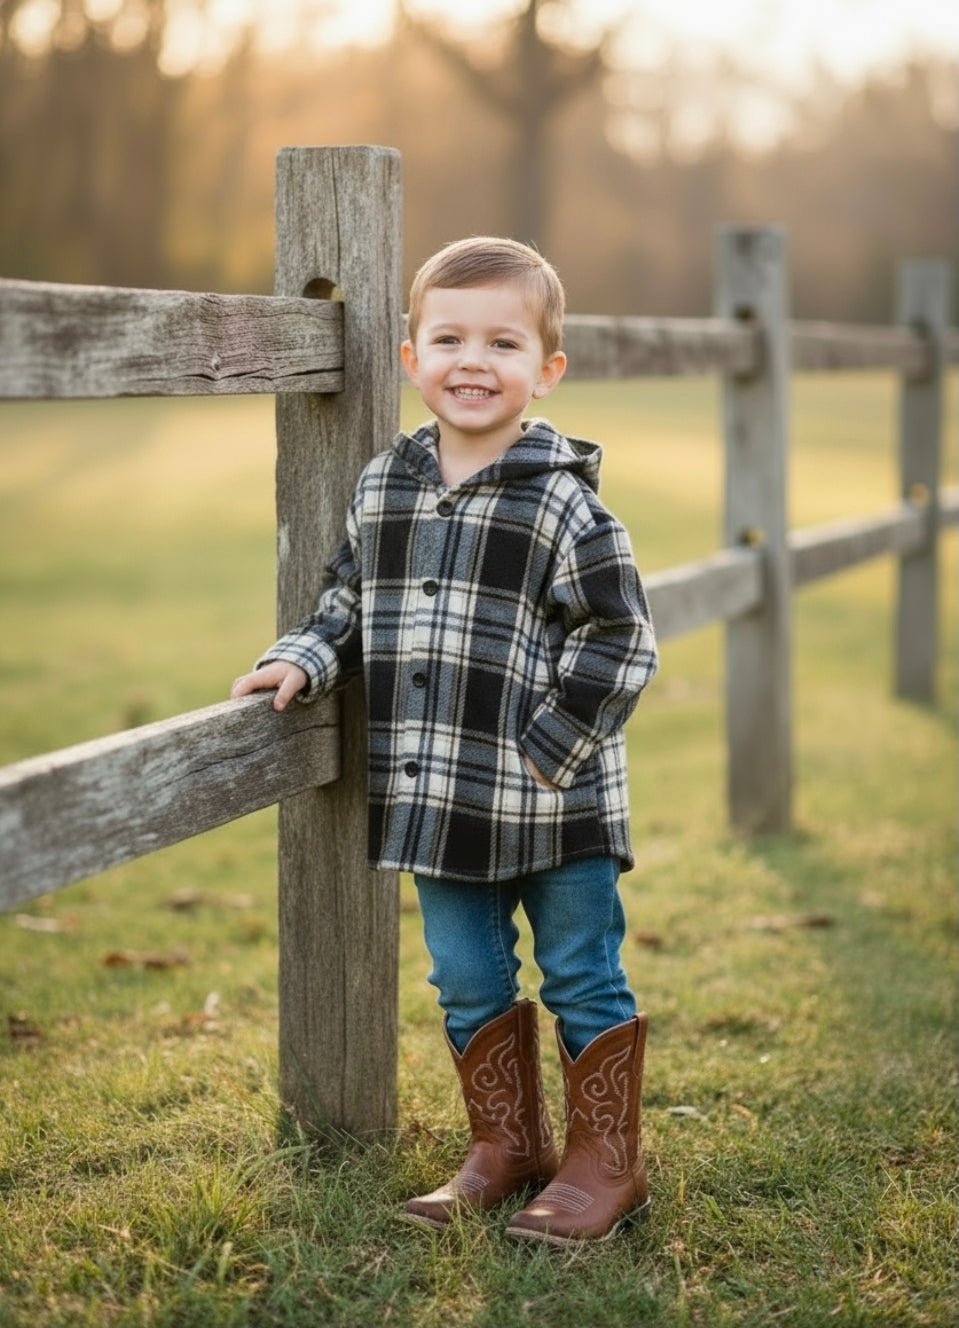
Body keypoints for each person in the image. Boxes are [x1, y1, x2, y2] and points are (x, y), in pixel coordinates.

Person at [231, 236, 658, 1245]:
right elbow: (348, 596)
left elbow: (620, 637)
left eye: (503, 342)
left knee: (580, 970)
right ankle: (503, 1147)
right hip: (435, 798)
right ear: (411, 355)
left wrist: (546, 744)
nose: (474, 360)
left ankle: (605, 1163)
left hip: (555, 802)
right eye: (449, 337)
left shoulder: (563, 500)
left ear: (545, 369)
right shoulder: (386, 484)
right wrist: (304, 656)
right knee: (465, 973)